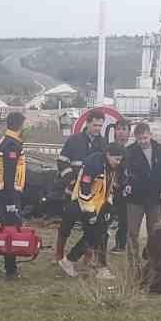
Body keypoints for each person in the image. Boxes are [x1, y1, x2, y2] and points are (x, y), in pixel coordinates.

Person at [60, 142, 125, 280]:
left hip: (99, 204)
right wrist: (90, 212)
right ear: (108, 155)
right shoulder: (93, 164)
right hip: (83, 203)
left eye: (120, 160)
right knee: (95, 234)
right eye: (117, 159)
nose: (118, 163)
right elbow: (84, 189)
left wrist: (108, 203)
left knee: (98, 234)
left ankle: (85, 263)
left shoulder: (109, 165)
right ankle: (76, 261)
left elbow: (107, 186)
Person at [54, 109, 106, 263]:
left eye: (100, 126)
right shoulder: (74, 140)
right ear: (87, 123)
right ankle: (58, 254)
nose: (98, 129)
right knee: (66, 226)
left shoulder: (102, 143)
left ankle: (88, 256)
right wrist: (71, 181)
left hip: (92, 195)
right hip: (73, 192)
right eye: (95, 125)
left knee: (90, 227)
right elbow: (62, 161)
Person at [0, 111, 27, 279]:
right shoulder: (11, 145)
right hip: (8, 195)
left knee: (1, 229)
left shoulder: (5, 140)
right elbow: (9, 174)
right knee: (11, 231)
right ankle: (11, 269)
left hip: (3, 192)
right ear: (20, 125)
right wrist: (11, 201)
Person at [120, 122, 161, 259]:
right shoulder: (129, 151)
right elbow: (122, 174)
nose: (143, 141)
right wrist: (126, 186)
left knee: (154, 232)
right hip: (135, 199)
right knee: (132, 233)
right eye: (139, 139)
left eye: (145, 138)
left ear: (150, 135)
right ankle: (133, 264)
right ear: (135, 138)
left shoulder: (160, 149)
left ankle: (152, 260)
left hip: (155, 198)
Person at [109, 119, 133, 252]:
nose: (121, 132)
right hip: (109, 189)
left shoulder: (133, 149)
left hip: (125, 191)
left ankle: (120, 245)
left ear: (129, 132)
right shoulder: (109, 148)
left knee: (124, 219)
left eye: (124, 129)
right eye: (119, 129)